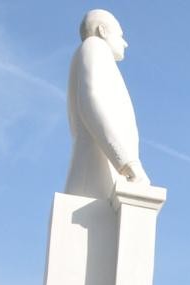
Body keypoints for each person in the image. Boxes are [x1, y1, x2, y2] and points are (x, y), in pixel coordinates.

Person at [65, 9, 150, 198]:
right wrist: (128, 163)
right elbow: (90, 101)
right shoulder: (95, 46)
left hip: (104, 177)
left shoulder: (93, 55)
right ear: (102, 31)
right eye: (120, 35)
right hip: (95, 180)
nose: (125, 43)